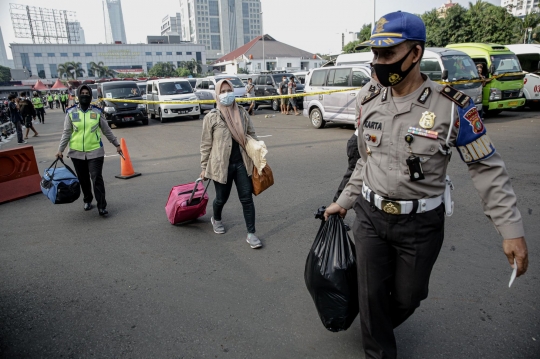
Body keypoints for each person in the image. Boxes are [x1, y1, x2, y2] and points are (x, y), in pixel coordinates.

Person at [324, 12, 529, 359]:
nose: (378, 63)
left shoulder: (452, 108)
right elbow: (365, 159)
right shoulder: (368, 98)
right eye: (375, 54)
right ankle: (377, 343)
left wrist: (511, 229)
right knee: (371, 295)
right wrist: (344, 201)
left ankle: (376, 326)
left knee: (409, 296)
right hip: (370, 217)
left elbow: (486, 167)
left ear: (415, 54)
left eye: (388, 54)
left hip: (421, 225)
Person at [200, 79, 262, 249]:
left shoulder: (241, 113)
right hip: (221, 165)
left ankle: (251, 234)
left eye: (229, 90)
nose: (227, 94)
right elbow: (206, 145)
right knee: (221, 199)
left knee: (247, 199)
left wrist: (259, 157)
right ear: (217, 95)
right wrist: (204, 168)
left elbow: (252, 135)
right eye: (223, 91)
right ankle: (216, 218)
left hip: (242, 163)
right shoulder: (212, 117)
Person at [56, 85, 123, 216]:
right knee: (83, 179)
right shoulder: (71, 112)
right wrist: (60, 150)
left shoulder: (97, 111)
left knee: (96, 177)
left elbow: (106, 130)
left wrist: (117, 144)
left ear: (91, 96)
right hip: (76, 152)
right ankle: (87, 199)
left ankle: (102, 206)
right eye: (83, 93)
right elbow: (66, 133)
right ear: (78, 95)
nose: (85, 95)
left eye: (87, 93)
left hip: (95, 151)